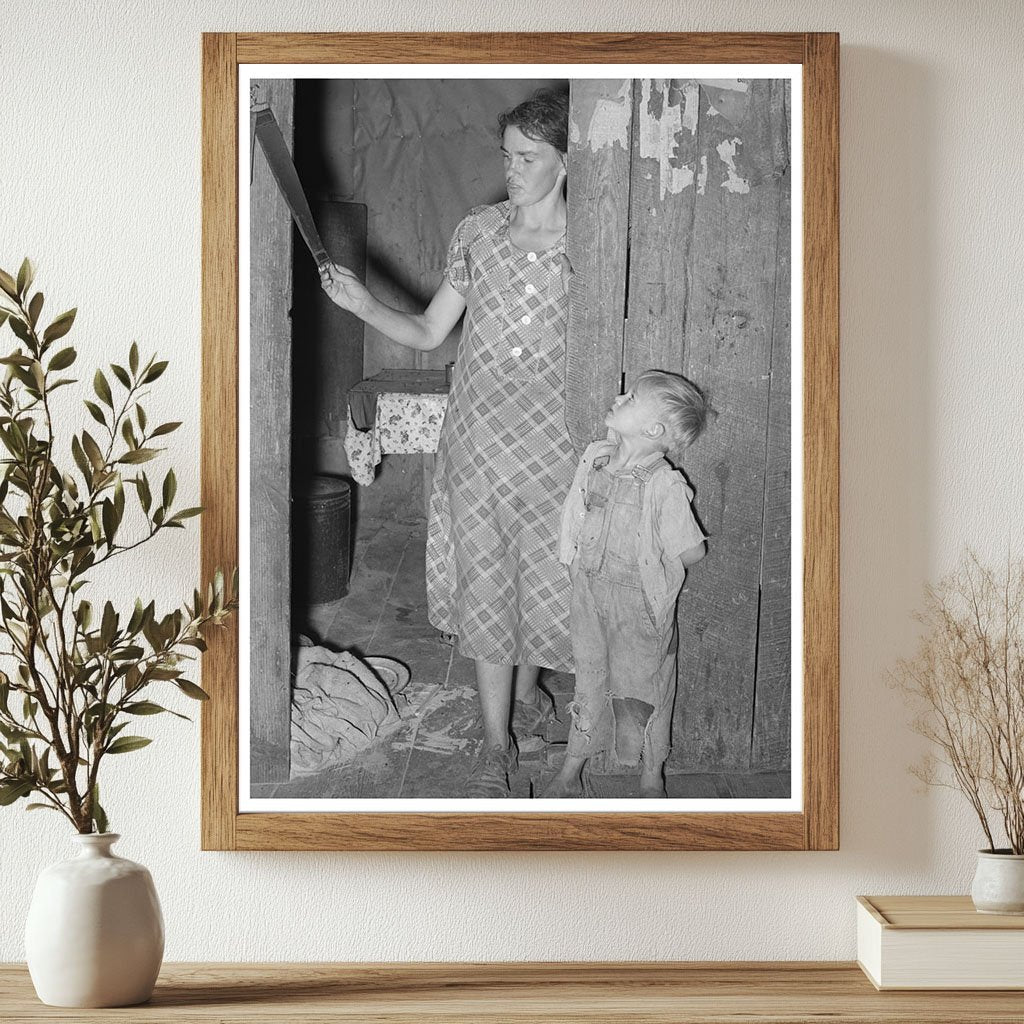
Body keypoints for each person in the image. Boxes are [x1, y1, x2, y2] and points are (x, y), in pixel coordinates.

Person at [320, 87, 575, 797]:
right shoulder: (479, 234)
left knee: (548, 577)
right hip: (479, 443)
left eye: (529, 157)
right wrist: (364, 304)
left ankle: (527, 695)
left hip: (558, 446)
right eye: (507, 155)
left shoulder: (591, 244)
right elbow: (432, 332)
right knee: (491, 584)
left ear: (566, 162)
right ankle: (496, 748)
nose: (512, 169)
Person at [543, 370, 709, 799]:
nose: (619, 397)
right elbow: (574, 517)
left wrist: (657, 546)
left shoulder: (664, 484)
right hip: (589, 593)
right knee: (589, 678)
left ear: (654, 430)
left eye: (631, 397)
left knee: (646, 688)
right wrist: (573, 561)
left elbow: (692, 552)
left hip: (639, 607)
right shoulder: (596, 459)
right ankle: (571, 770)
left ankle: (651, 775)